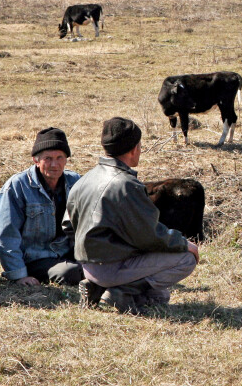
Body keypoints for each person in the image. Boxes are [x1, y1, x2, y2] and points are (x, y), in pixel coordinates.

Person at [66, 117, 198, 314]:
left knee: (161, 296)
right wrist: (184, 243)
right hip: (112, 268)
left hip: (88, 267)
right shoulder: (126, 185)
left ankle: (99, 287)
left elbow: (67, 225)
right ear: (134, 149)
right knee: (186, 259)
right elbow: (149, 235)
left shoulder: (84, 179)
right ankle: (121, 291)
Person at [0, 127, 83, 286]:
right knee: (70, 272)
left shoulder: (76, 182)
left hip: (69, 254)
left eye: (59, 157)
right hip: (35, 259)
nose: (54, 164)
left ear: (66, 159)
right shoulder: (17, 186)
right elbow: (6, 235)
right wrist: (19, 275)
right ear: (36, 160)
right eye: (48, 158)